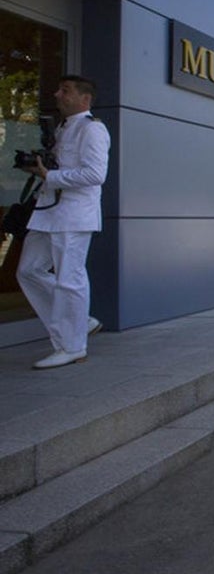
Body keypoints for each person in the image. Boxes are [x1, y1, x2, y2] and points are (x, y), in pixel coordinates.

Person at [17, 75, 111, 370]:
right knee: (28, 270)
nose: (57, 94)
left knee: (70, 279)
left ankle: (71, 346)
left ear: (85, 99)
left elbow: (96, 175)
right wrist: (39, 169)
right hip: (48, 212)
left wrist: (51, 176)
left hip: (73, 214)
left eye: (65, 91)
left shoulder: (92, 129)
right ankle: (79, 321)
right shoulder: (61, 128)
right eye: (59, 89)